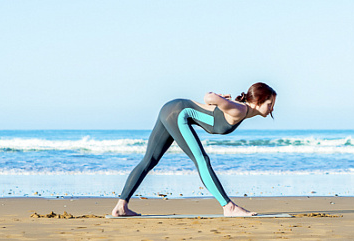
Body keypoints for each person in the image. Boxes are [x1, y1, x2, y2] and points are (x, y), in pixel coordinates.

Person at [111, 82, 277, 217]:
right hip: (178, 112)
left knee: (150, 160)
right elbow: (208, 97)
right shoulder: (240, 109)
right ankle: (229, 207)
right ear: (258, 101)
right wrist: (217, 98)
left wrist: (219, 101)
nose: (272, 109)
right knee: (201, 160)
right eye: (270, 104)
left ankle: (120, 207)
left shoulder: (240, 108)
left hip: (170, 109)